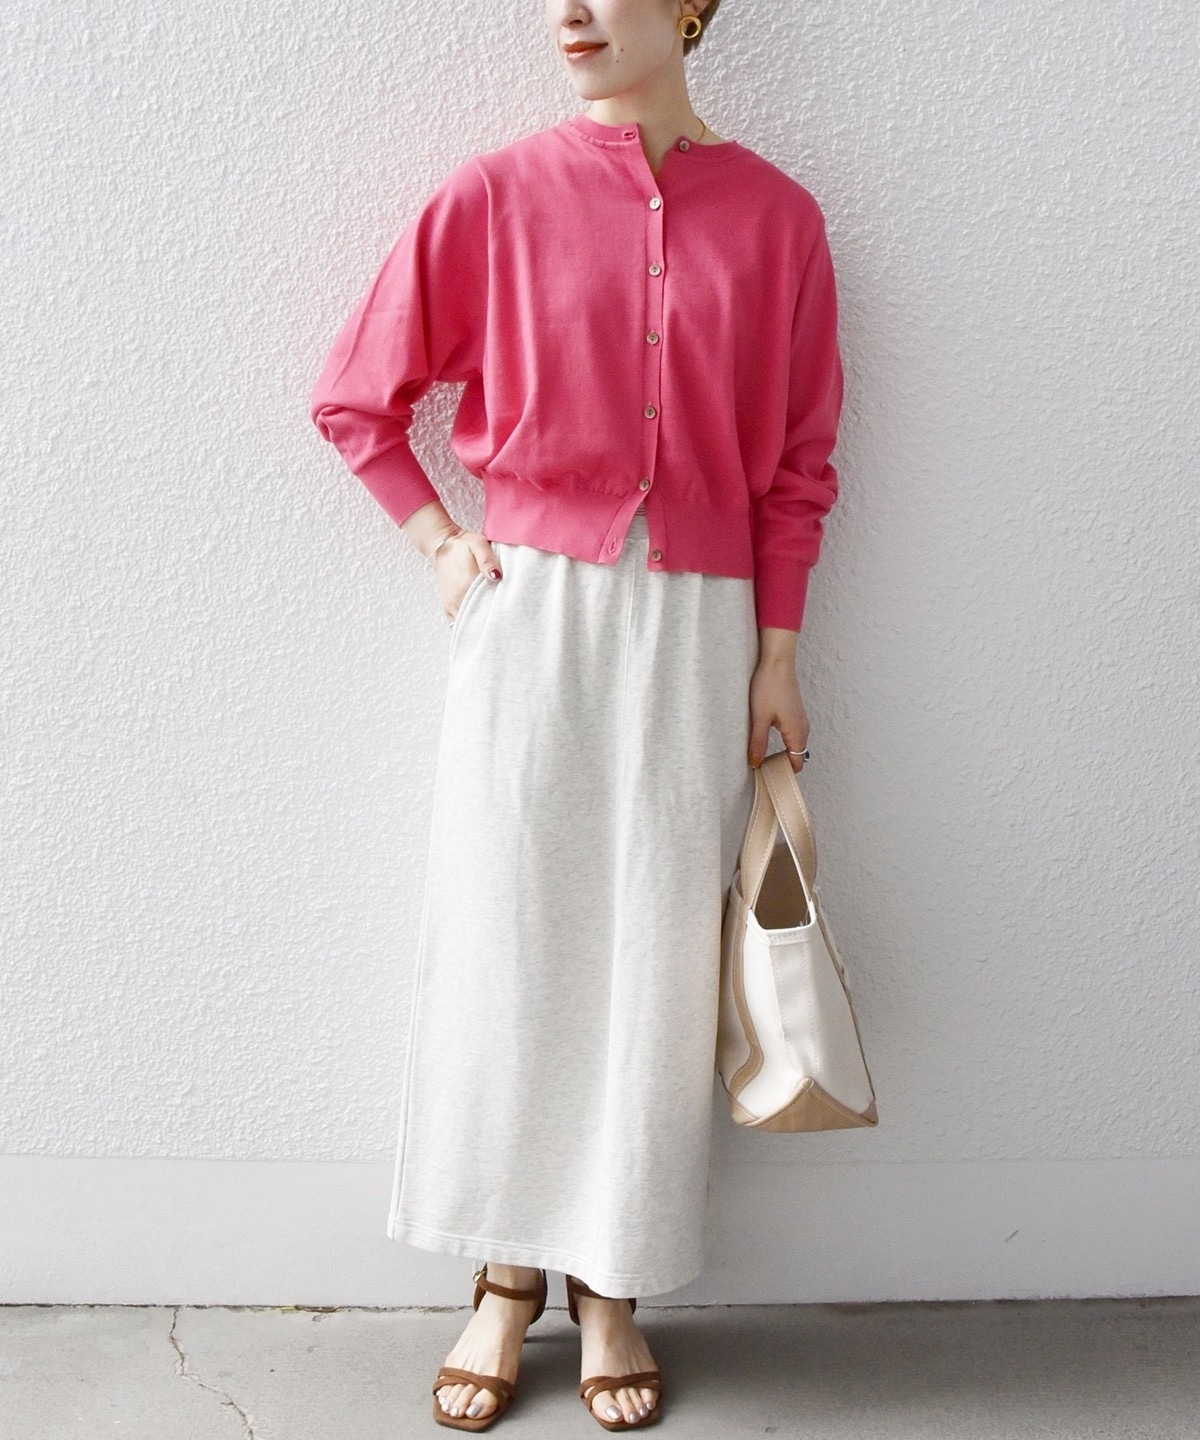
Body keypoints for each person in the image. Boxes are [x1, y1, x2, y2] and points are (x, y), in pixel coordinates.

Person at [309, 0, 843, 1429]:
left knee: (656, 949)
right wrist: (442, 543)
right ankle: (503, 1277)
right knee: (511, 934)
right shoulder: (495, 194)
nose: (569, 10)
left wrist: (778, 653)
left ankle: (610, 1279)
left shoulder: (780, 221)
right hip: (533, 608)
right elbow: (356, 400)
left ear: (689, 7)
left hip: (702, 623)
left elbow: (799, 461)